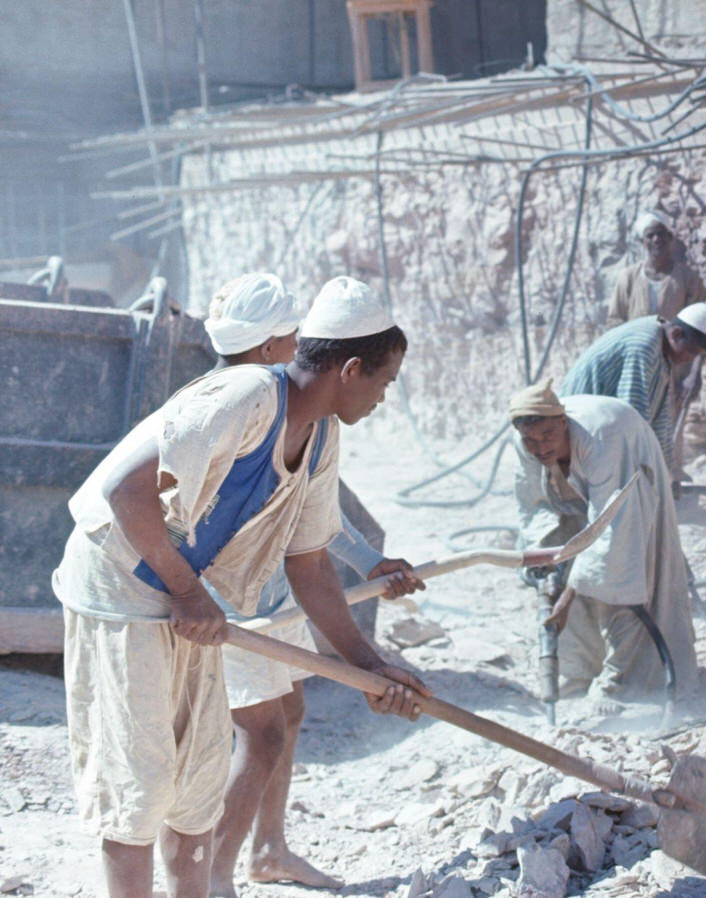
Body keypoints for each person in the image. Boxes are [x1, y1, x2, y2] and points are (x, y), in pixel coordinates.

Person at [52, 274, 430, 898]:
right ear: (352, 368)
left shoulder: (321, 437)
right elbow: (126, 489)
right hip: (118, 587)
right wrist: (186, 592)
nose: (384, 398)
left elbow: (308, 563)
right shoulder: (249, 394)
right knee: (139, 787)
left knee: (196, 789)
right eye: (385, 382)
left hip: (183, 596)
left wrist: (371, 665)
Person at [201, 273, 426, 897]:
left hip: (277, 597)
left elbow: (317, 522)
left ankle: (268, 849)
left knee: (289, 714)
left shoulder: (315, 421)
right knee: (262, 734)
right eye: (383, 381)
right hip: (233, 606)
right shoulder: (241, 411)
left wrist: (367, 563)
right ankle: (212, 879)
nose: (296, 345)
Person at [510, 381, 697, 706]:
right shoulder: (523, 440)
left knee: (621, 579)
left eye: (547, 437)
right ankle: (580, 672)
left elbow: (608, 535)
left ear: (564, 423)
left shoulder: (605, 438)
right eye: (530, 440)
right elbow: (533, 504)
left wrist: (567, 596)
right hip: (573, 487)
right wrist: (547, 567)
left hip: (628, 464)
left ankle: (622, 683)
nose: (539, 448)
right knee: (560, 574)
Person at [559, 305, 706, 477]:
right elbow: (631, 416)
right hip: (577, 426)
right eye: (691, 352)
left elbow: (660, 419)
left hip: (601, 427)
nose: (690, 360)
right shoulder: (643, 346)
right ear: (677, 334)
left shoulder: (662, 346)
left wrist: (667, 472)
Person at [605, 210, 706, 327]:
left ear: (670, 237)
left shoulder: (689, 278)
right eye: (650, 235)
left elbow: (697, 320)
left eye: (661, 234)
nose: (656, 239)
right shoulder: (629, 277)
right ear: (642, 241)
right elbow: (615, 319)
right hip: (636, 342)